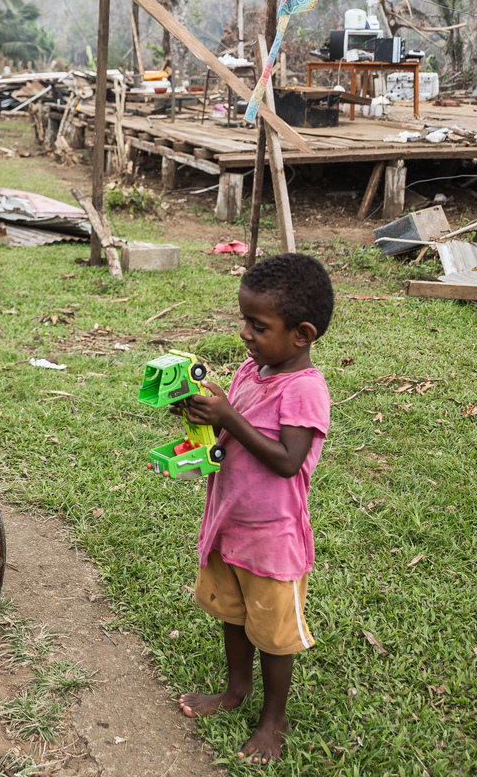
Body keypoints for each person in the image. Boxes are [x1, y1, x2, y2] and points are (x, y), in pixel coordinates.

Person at [176, 253, 334, 763]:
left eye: (258, 325)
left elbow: (288, 461)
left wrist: (229, 417)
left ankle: (273, 719)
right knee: (232, 614)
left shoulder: (306, 390)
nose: (245, 332)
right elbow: (233, 427)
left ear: (302, 334)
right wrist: (207, 408)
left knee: (272, 635)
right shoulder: (254, 368)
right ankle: (235, 691)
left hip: (272, 537)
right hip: (229, 522)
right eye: (244, 320)